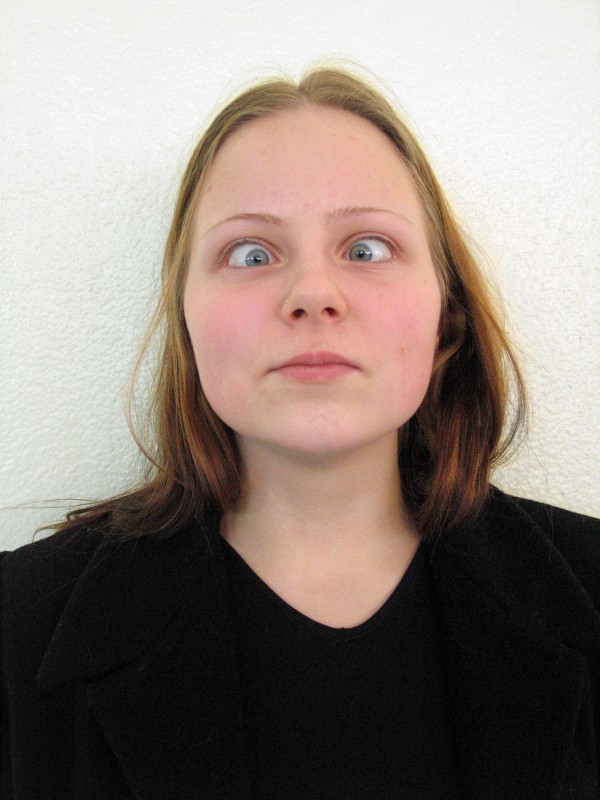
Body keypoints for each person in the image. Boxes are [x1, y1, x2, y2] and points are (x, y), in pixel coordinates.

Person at [1, 64, 599, 800]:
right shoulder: (18, 626)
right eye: (251, 253)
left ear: (447, 315)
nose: (313, 294)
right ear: (187, 321)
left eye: (366, 248)